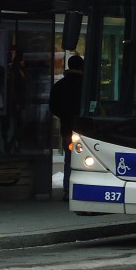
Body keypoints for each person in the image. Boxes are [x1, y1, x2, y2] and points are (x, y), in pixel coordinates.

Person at [49, 54, 84, 201]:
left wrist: (64, 116)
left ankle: (68, 190)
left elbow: (53, 107)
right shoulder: (86, 84)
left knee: (69, 160)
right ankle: (82, 188)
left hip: (67, 128)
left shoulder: (60, 85)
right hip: (85, 129)